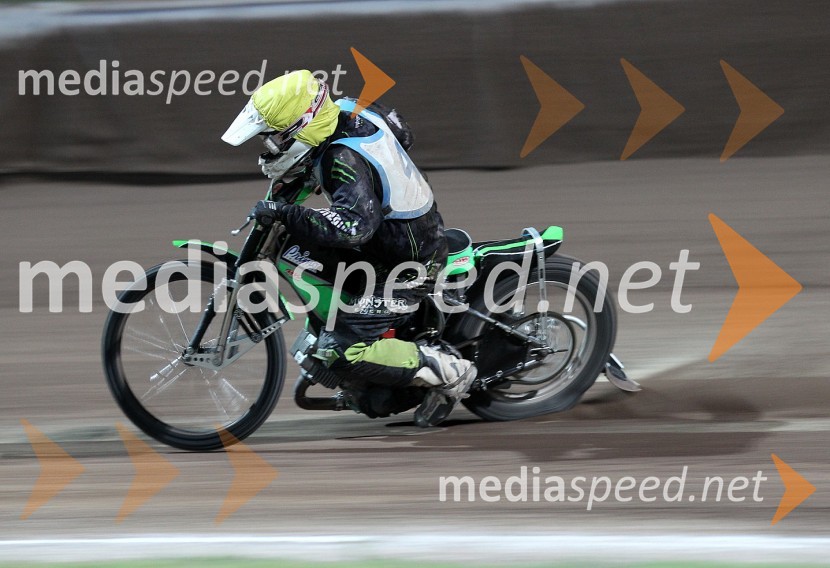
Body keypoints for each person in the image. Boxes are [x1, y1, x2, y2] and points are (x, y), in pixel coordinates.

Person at [221, 70, 476, 427]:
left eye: (273, 138)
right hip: (390, 243)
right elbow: (403, 132)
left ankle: (450, 371)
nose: (269, 147)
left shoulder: (341, 159)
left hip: (403, 266)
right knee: (295, 249)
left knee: (340, 350)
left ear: (301, 126)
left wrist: (287, 212)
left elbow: (355, 227)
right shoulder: (350, 109)